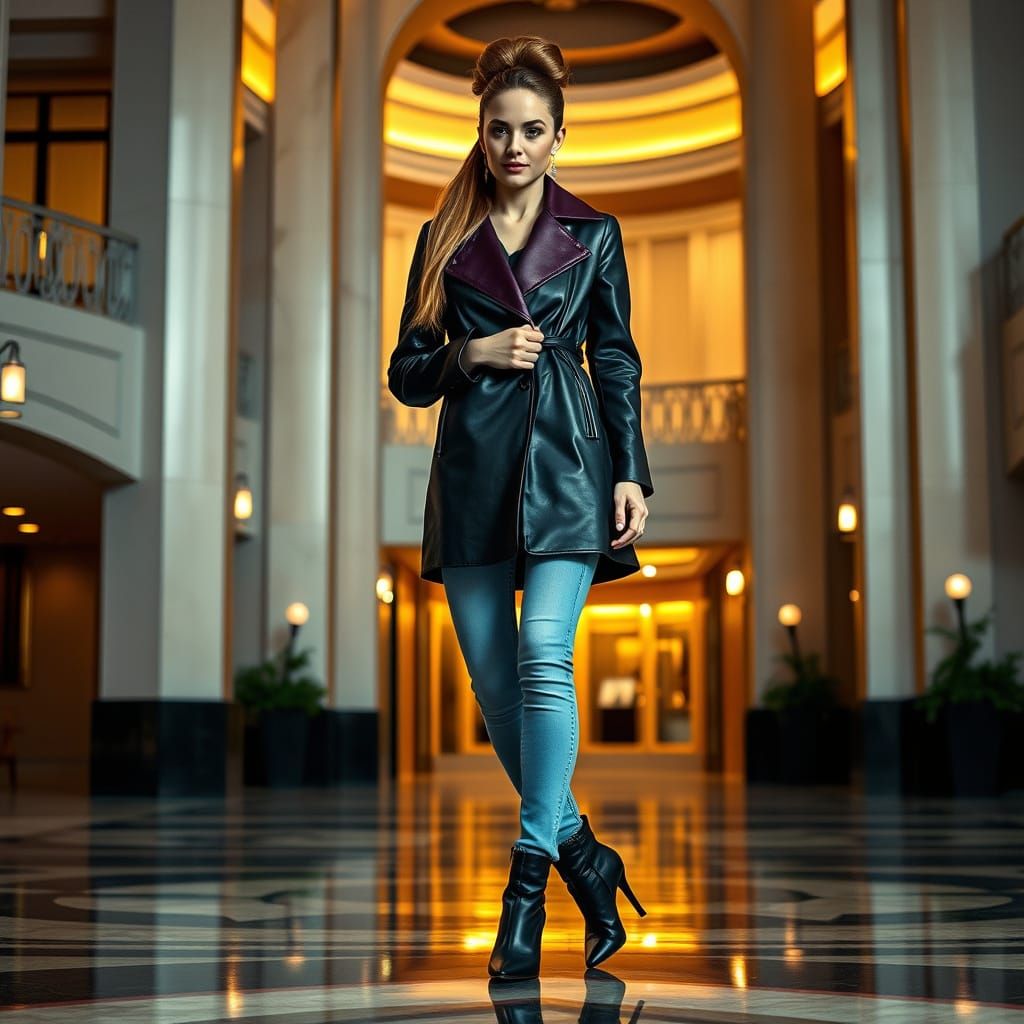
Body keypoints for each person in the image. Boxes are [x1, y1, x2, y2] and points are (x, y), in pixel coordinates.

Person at [386, 34, 654, 981]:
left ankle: (528, 888)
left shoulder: (596, 234)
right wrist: (473, 354)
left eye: (533, 131)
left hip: (569, 465)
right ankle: (588, 853)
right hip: (470, 479)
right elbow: (407, 374)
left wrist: (632, 471)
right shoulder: (442, 239)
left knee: (545, 657)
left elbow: (615, 357)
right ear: (482, 129)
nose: (515, 147)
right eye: (501, 130)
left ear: (558, 135)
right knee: (497, 697)